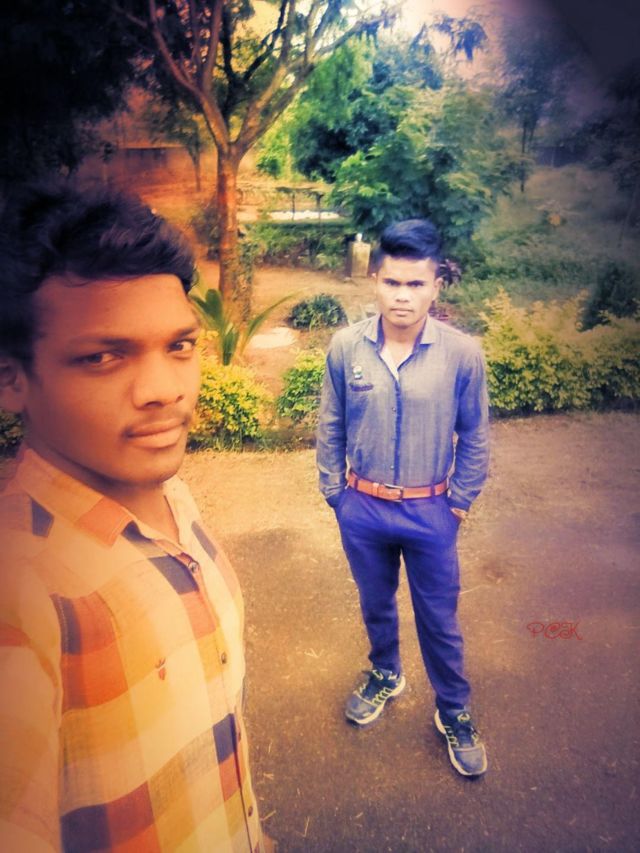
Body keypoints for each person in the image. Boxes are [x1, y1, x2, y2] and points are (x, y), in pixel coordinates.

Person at [0, 184, 265, 850]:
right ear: (11, 379)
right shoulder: (22, 593)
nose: (165, 390)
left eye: (179, 346)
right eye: (103, 356)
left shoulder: (171, 497)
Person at [316, 219, 489, 777]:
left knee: (439, 617)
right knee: (376, 603)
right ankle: (386, 673)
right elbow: (330, 424)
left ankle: (453, 709)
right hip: (362, 508)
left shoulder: (462, 355)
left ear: (436, 286)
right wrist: (335, 493)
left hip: (430, 510)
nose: (403, 296)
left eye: (416, 284)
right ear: (375, 280)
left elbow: (476, 434)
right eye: (392, 282)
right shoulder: (347, 348)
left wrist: (458, 502)